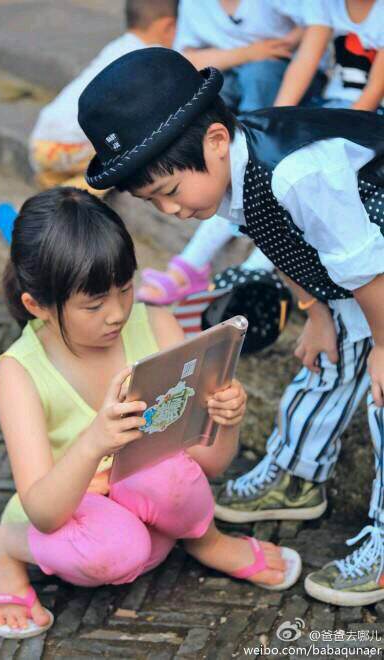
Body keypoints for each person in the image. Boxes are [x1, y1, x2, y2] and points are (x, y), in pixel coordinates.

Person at [78, 48, 384, 606]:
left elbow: (366, 265)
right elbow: (279, 238)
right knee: (329, 358)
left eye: (170, 192)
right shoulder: (230, 173)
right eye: (153, 203)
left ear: (215, 140)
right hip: (353, 275)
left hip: (375, 266)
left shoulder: (298, 172)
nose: (171, 212)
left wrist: (383, 345)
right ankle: (297, 474)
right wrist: (315, 312)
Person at [0, 187, 300, 635]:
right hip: (72, 517)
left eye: (125, 289)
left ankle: (207, 540)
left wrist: (225, 421)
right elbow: (44, 512)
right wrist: (95, 442)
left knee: (168, 480)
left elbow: (208, 464)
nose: (116, 313)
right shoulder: (19, 371)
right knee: (118, 551)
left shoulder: (155, 323)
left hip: (143, 501)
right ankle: (2, 548)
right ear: (38, 306)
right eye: (94, 304)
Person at [136, 0, 327, 306]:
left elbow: (317, 27)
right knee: (228, 179)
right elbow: (185, 59)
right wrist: (250, 52)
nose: (169, 208)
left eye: (167, 193)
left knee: (254, 183)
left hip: (284, 99)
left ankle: (245, 274)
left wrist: (270, 121)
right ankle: (195, 267)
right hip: (243, 96)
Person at [29, 0, 178, 192]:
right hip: (67, 146)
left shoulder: (118, 46)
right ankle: (67, 196)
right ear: (168, 26)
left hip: (41, 140)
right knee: (126, 160)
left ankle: (52, 179)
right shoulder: (150, 58)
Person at [274, 0, 384, 111]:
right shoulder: (326, 3)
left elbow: (376, 87)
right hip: (331, 103)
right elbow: (305, 61)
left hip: (371, 110)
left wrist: (347, 121)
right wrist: (278, 114)